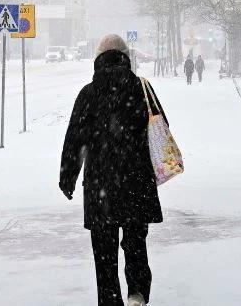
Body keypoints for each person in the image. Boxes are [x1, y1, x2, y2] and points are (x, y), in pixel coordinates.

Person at [60, 34, 165, 306]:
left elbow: (74, 140)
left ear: (98, 59)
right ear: (126, 57)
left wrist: (67, 178)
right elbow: (160, 130)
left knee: (104, 252)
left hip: (100, 187)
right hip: (137, 182)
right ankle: (137, 293)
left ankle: (110, 300)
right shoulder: (141, 89)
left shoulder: (88, 93)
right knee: (135, 243)